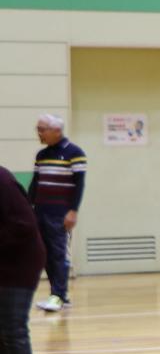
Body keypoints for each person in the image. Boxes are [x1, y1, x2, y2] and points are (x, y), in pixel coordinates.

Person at [29, 114, 84, 313]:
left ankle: (58, 296)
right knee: (44, 255)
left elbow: (79, 185)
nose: (39, 133)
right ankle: (59, 295)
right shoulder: (41, 155)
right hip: (40, 212)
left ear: (56, 131)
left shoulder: (74, 153)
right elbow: (36, 183)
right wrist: (28, 207)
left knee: (58, 254)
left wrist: (73, 211)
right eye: (38, 129)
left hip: (60, 214)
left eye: (42, 129)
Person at [0, 161, 43, 354]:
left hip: (20, 262)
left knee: (13, 328)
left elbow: (24, 226)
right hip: (3, 260)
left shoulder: (2, 181)